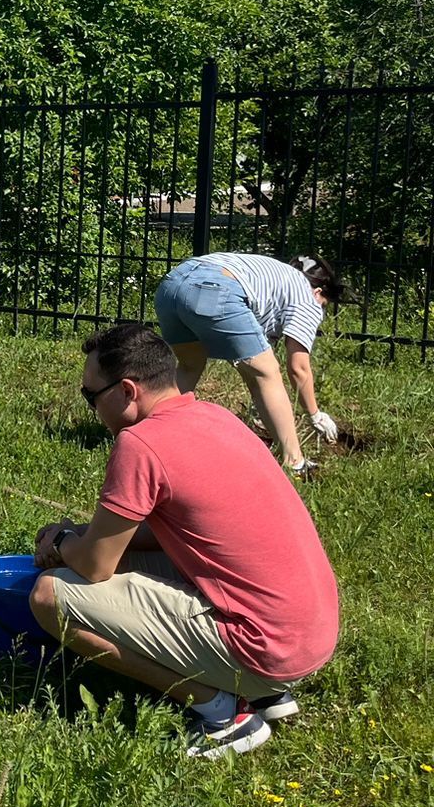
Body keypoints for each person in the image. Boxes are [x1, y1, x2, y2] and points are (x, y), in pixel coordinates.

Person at [30, 323, 339, 760]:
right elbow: (186, 533)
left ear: (127, 392)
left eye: (90, 396)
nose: (92, 409)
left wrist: (60, 539)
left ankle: (221, 712)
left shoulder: (140, 443)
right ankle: (265, 693)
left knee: (50, 595)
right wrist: (85, 535)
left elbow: (95, 566)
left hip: (263, 649)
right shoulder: (216, 417)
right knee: (121, 559)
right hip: (307, 637)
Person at [153, 252, 345, 477]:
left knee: (189, 365)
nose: (319, 311)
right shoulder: (307, 296)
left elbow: (248, 355)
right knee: (268, 374)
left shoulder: (276, 279)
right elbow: (298, 368)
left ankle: (150, 433)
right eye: (323, 305)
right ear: (319, 292)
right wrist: (314, 415)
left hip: (171, 286)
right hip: (214, 287)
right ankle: (295, 463)